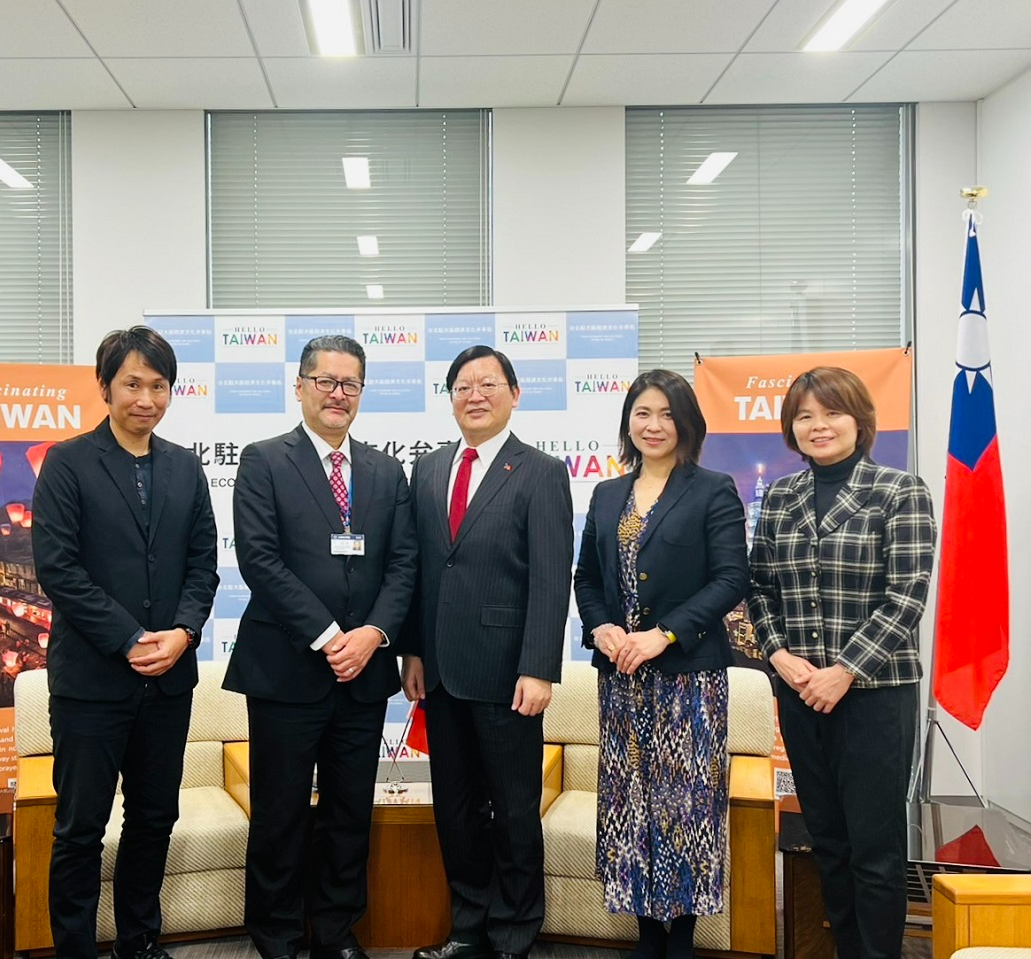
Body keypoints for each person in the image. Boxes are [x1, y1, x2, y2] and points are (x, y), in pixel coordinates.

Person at [225, 335, 417, 959]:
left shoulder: (387, 470)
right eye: (327, 382)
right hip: (286, 668)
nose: (339, 395)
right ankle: (277, 936)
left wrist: (374, 636)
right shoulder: (263, 460)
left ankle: (336, 933)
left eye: (351, 384)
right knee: (279, 815)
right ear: (301, 386)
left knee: (348, 814)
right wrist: (333, 637)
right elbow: (260, 560)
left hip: (364, 673)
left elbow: (404, 565)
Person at [32, 326, 219, 959]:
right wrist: (131, 636)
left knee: (152, 819)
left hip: (168, 680)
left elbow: (203, 564)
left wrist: (184, 632)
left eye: (159, 385)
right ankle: (77, 950)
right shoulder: (67, 462)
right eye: (132, 384)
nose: (147, 398)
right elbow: (57, 568)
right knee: (81, 829)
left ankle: (140, 942)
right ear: (105, 387)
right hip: (91, 681)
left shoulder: (185, 466)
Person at [747, 366, 936, 959]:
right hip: (801, 695)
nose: (818, 426)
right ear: (791, 429)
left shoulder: (901, 490)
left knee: (875, 851)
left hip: (876, 696)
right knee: (826, 841)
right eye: (804, 416)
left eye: (831, 413)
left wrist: (845, 670)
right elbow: (757, 589)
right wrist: (777, 654)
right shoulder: (780, 497)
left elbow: (906, 595)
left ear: (860, 420)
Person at [400, 344, 573, 959]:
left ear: (515, 394)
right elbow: (420, 569)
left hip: (508, 674)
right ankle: (468, 929)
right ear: (450, 399)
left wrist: (538, 668)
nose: (475, 395)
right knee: (455, 809)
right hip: (440, 673)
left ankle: (514, 934)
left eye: (488, 384)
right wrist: (413, 653)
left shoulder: (541, 472)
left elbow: (552, 580)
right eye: (462, 386)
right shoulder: (427, 469)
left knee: (514, 811)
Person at [573, 369, 748, 959]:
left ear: (687, 423)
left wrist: (663, 635)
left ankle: (683, 939)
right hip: (620, 679)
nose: (654, 425)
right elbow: (587, 579)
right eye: (642, 413)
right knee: (629, 802)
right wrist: (600, 628)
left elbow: (730, 579)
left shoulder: (713, 489)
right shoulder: (605, 494)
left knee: (686, 806)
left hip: (688, 677)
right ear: (628, 422)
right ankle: (646, 934)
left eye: (667, 414)